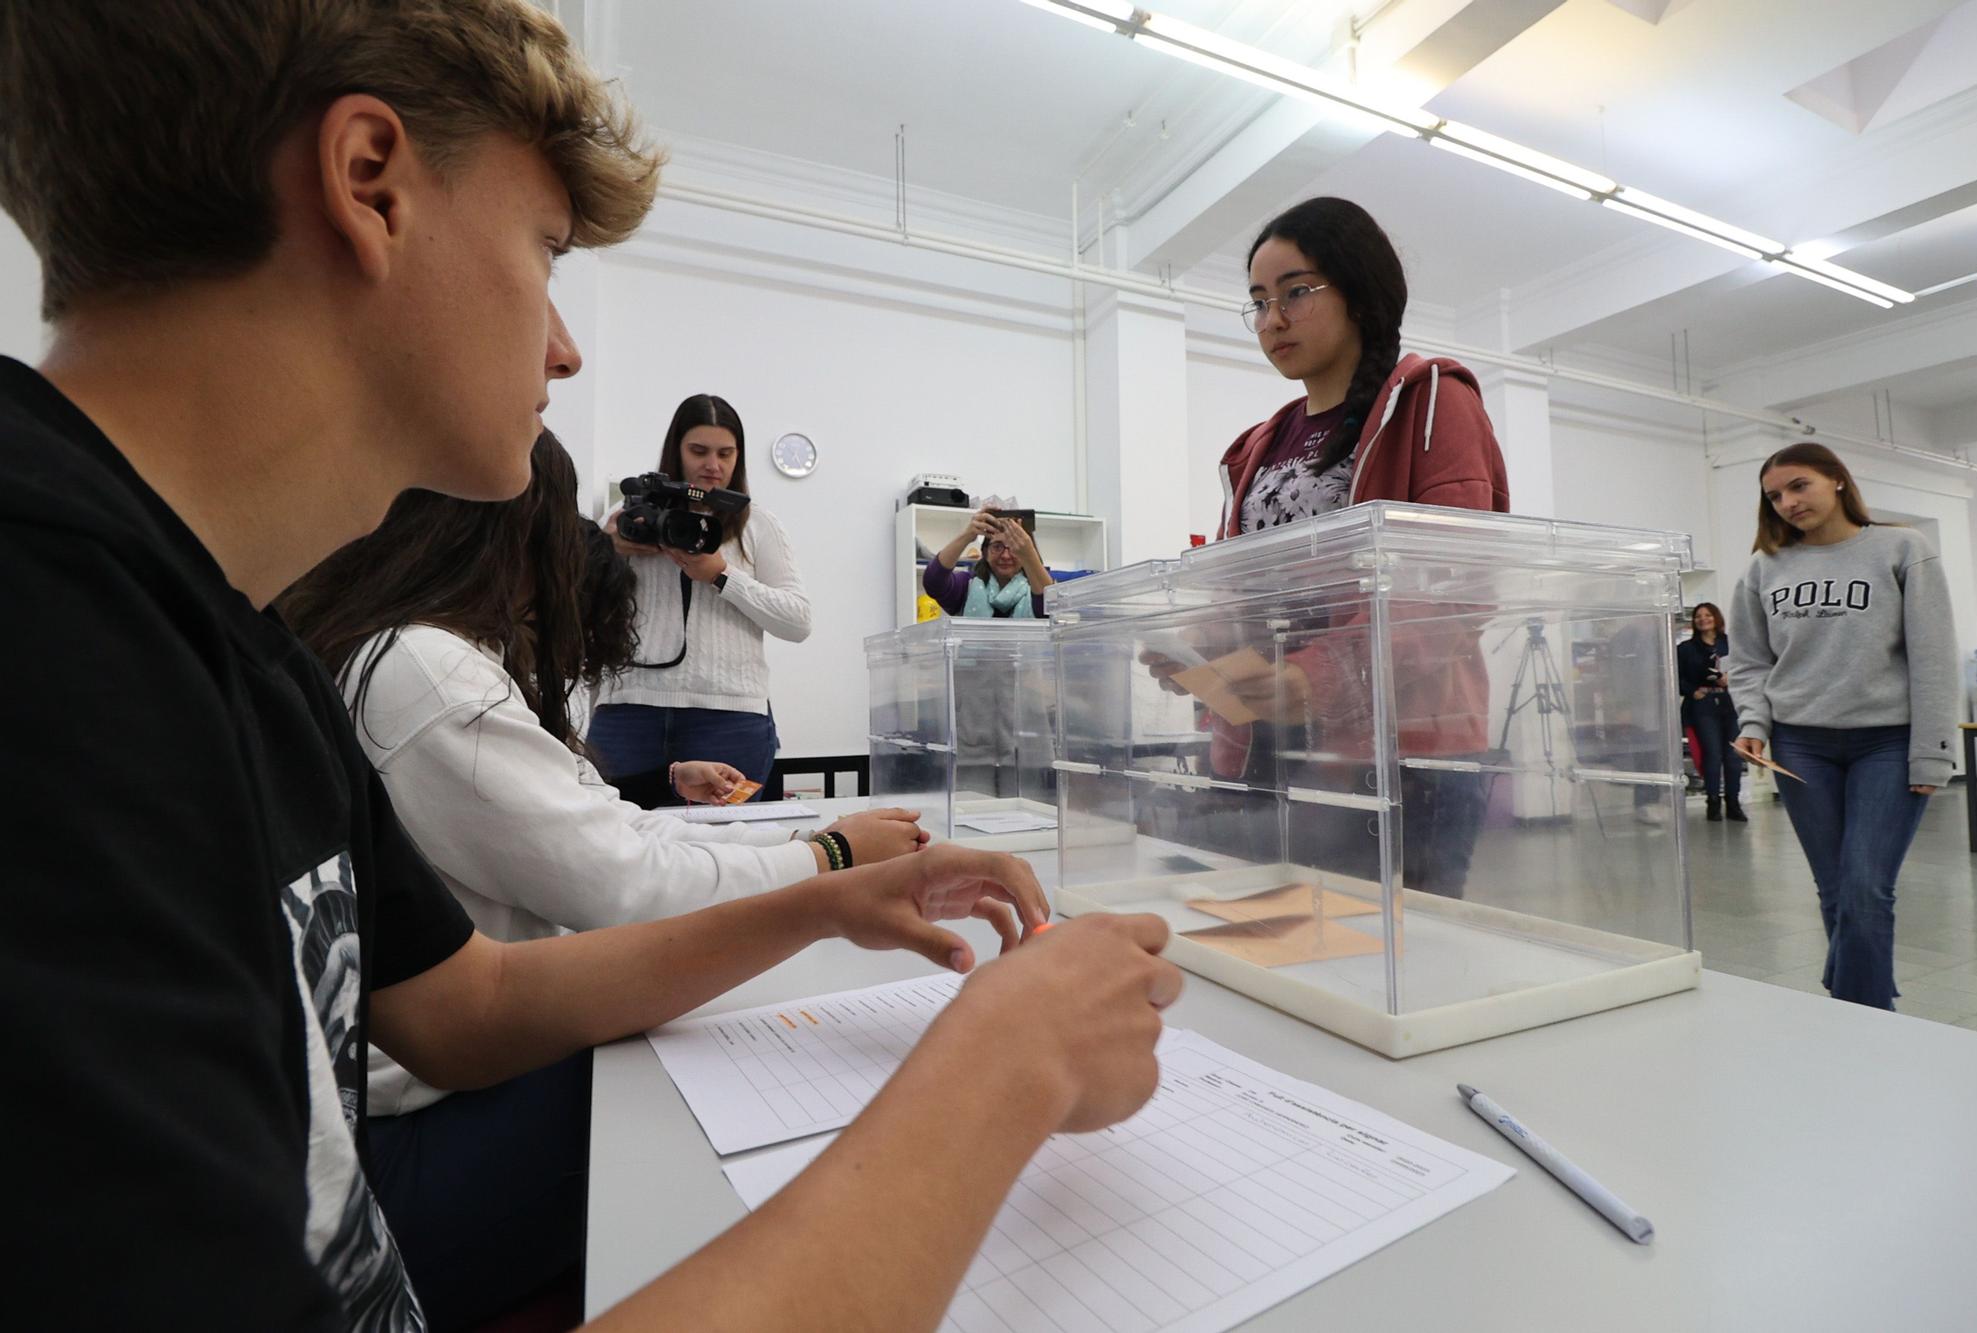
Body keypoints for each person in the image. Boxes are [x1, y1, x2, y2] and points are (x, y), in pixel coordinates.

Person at [0, 5, 1180, 1330]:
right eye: (545, 254)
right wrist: (1001, 1073)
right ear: (369, 184)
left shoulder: (241, 646)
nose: (565, 346)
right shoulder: (51, 659)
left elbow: (469, 1000)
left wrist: (828, 898)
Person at [281, 427, 935, 1324]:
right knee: (705, 1066)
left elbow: (605, 840)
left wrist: (808, 853)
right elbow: (627, 884)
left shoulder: (406, 655)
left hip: (403, 1116)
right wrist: (827, 861)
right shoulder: (429, 673)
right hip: (410, 1146)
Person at [1162, 196, 1510, 897]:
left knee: (1394, 968)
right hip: (1272, 749)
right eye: (1258, 302)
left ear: (1360, 289)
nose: (1273, 320)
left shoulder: (1430, 398)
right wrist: (1199, 649)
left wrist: (1314, 679)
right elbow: (1245, 586)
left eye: (1296, 292)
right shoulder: (1261, 443)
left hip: (1397, 753)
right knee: (1286, 951)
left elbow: (1446, 587)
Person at [1729, 443, 1958, 1011]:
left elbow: (1933, 656)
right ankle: (1864, 1008)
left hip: (1887, 741)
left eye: (1799, 485)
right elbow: (1750, 660)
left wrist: (1933, 751)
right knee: (1835, 890)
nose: (1787, 502)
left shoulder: (1904, 547)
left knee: (1864, 888)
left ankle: (1863, 1016)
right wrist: (1754, 721)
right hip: (1800, 744)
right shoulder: (1764, 568)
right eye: (1774, 495)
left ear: (1836, 481)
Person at [590, 393, 806, 800]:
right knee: (617, 839)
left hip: (731, 716)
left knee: (727, 845)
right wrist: (605, 550)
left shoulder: (756, 524)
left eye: (726, 453)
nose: (713, 465)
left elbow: (797, 621)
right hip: (628, 708)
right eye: (699, 451)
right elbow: (581, 608)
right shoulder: (628, 519)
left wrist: (722, 575)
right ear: (676, 451)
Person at [1678, 601, 1747, 823]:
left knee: (1733, 755)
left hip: (1730, 703)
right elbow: (1675, 678)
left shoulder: (1733, 645)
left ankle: (1733, 802)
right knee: (1712, 754)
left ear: (1716, 618)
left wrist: (1732, 679)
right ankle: (1713, 802)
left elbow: (1749, 669)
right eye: (1698, 616)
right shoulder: (1686, 649)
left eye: (1708, 615)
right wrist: (1691, 691)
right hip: (1703, 705)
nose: (1703, 619)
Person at [925, 507, 1052, 618]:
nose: (1006, 556)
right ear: (985, 552)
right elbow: (934, 582)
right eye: (997, 547)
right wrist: (967, 535)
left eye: (1014, 547)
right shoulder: (966, 586)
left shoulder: (1038, 585)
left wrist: (1030, 556)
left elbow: (1049, 608)